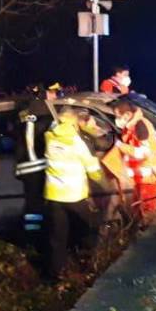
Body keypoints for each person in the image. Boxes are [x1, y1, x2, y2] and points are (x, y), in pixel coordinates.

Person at [43, 108, 104, 278]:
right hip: (74, 195)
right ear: (75, 124)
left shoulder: (49, 137)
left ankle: (55, 275)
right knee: (90, 227)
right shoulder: (77, 143)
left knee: (57, 237)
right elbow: (93, 171)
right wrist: (101, 178)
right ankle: (87, 264)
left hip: (54, 196)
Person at [14, 84, 56, 240]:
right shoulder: (45, 114)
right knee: (39, 204)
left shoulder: (24, 112)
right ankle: (37, 238)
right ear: (45, 94)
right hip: (38, 167)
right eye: (52, 93)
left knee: (32, 204)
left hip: (25, 166)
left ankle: (32, 235)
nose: (55, 97)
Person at [110, 98, 156, 218]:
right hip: (139, 177)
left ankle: (147, 235)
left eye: (118, 115)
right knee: (138, 210)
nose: (117, 119)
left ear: (128, 114)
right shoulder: (131, 126)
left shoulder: (140, 126)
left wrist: (120, 146)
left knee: (146, 211)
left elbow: (143, 152)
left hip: (146, 177)